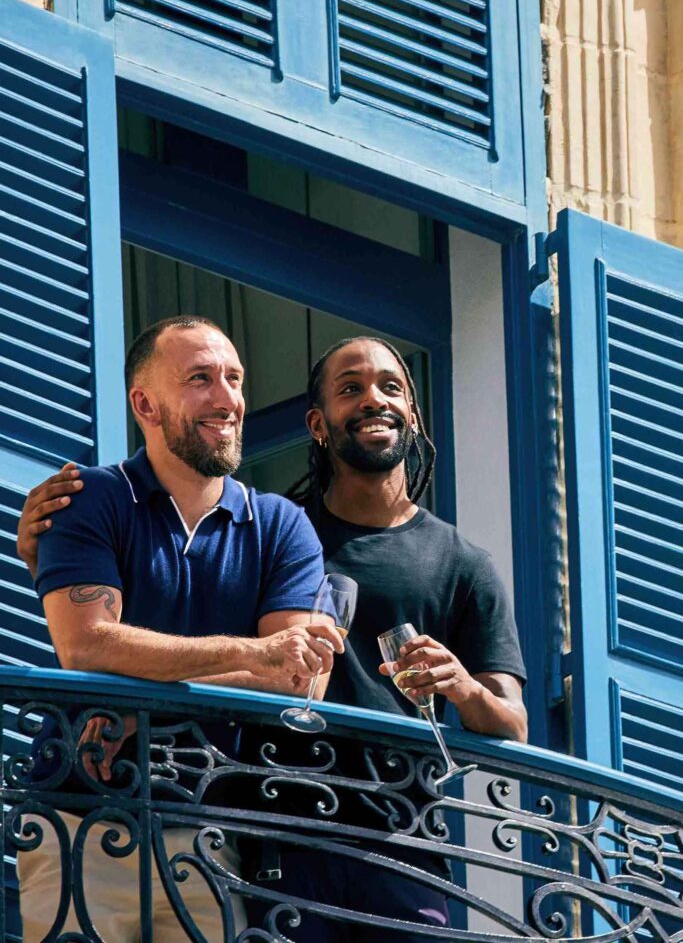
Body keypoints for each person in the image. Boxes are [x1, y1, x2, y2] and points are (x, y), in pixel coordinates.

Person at [18, 334, 527, 940]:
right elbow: (96, 641)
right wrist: (55, 553)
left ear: (413, 414)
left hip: (398, 834)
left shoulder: (443, 560)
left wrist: (463, 688)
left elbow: (508, 723)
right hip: (269, 832)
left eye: (391, 387)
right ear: (317, 424)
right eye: (350, 389)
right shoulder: (288, 527)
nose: (374, 400)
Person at [13, 315, 343, 943]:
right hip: (78, 821)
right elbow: (87, 643)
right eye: (200, 379)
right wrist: (252, 653)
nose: (227, 399)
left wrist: (148, 698)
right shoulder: (88, 497)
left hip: (210, 835)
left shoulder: (282, 526)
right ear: (145, 404)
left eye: (234, 379)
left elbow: (300, 679)